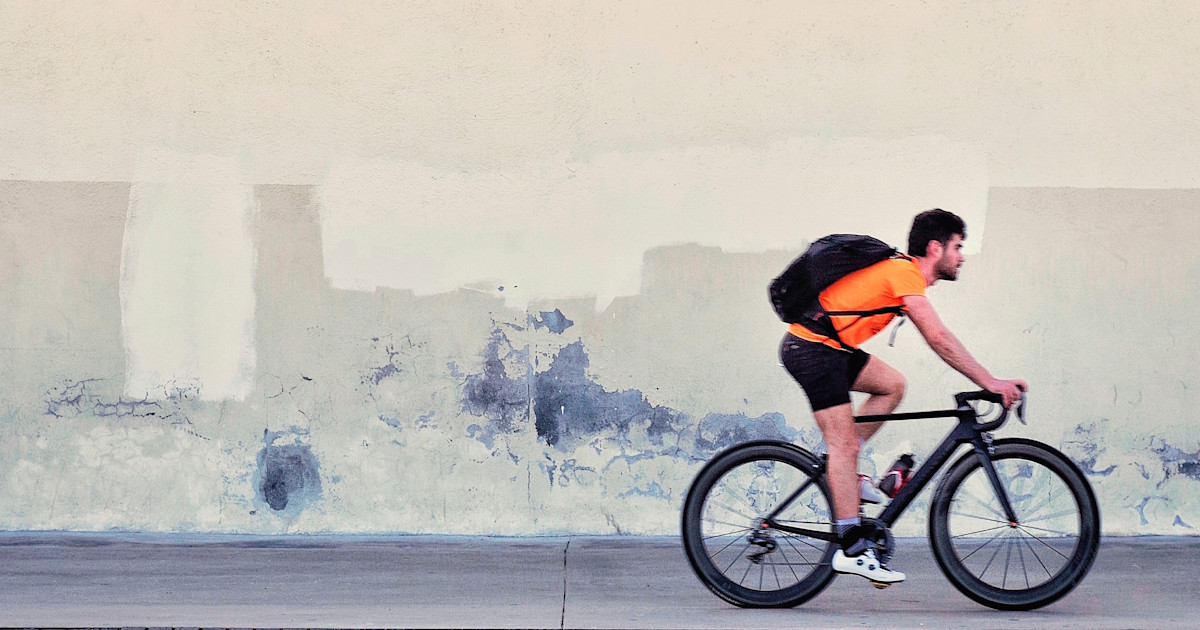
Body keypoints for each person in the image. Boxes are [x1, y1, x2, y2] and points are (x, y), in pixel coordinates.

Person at [780, 209, 1026, 584]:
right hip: (814, 350)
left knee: (892, 385)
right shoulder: (904, 273)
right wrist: (991, 382)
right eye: (958, 247)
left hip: (832, 347)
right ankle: (851, 548)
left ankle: (843, 469)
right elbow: (938, 338)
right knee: (843, 444)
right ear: (934, 247)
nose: (962, 256)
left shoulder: (901, 273)